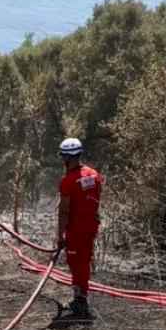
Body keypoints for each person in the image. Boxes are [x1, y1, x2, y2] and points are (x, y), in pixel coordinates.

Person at [55, 137, 103, 320]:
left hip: (76, 230)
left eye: (63, 157)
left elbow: (64, 211)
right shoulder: (94, 174)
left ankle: (80, 300)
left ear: (67, 158)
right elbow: (96, 197)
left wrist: (60, 236)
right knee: (84, 260)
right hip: (90, 227)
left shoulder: (67, 181)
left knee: (76, 263)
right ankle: (82, 295)